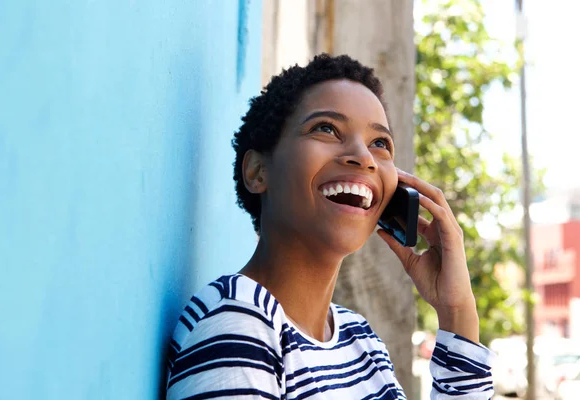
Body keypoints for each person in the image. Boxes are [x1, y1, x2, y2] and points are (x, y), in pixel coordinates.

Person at [165, 54, 495, 399]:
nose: (364, 157)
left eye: (379, 143)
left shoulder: (359, 339)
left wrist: (456, 310)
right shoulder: (237, 325)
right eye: (326, 128)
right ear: (258, 172)